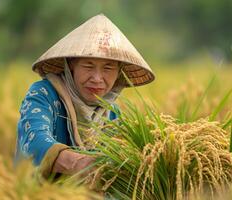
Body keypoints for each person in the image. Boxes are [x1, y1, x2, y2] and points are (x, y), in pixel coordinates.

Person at [15, 14, 155, 179]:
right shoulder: (43, 94)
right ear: (71, 65)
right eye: (88, 66)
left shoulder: (112, 114)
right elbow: (35, 141)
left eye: (108, 69)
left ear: (119, 73)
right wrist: (83, 164)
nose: (97, 78)